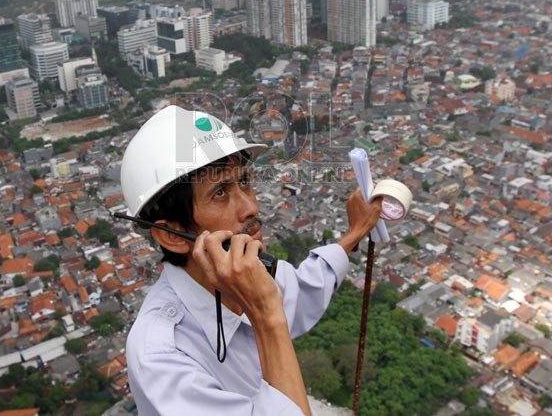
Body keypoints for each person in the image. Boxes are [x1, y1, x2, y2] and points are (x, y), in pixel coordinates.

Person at [120, 105, 381, 415]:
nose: (250, 208)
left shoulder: (254, 271)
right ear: (173, 235)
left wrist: (354, 233)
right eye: (220, 193)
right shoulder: (162, 357)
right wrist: (266, 314)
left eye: (244, 182)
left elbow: (305, 287)